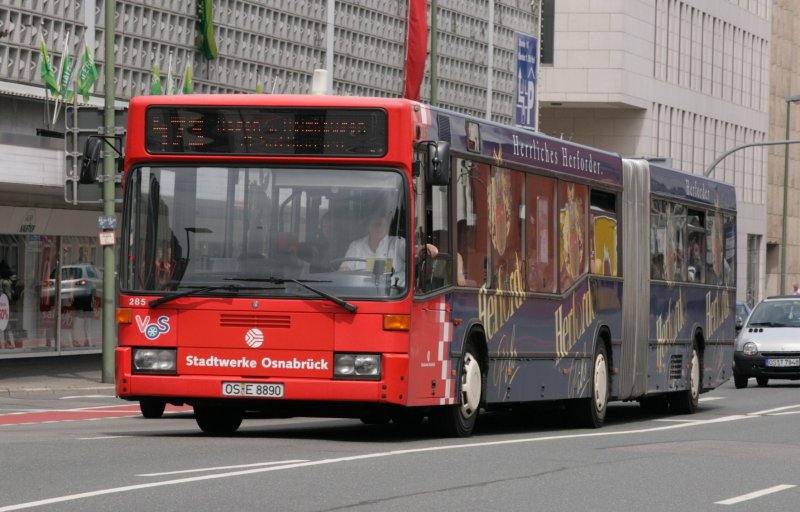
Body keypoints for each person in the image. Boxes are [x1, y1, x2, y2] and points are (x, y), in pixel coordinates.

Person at [339, 211, 437, 273]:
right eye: (376, 224)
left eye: (383, 225)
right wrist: (344, 271)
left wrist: (425, 247)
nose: (380, 228)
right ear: (368, 226)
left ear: (387, 228)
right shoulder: (356, 246)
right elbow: (344, 270)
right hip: (362, 295)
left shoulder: (397, 243)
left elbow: (413, 251)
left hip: (393, 296)